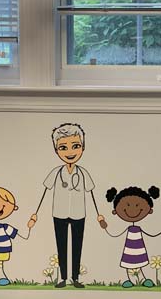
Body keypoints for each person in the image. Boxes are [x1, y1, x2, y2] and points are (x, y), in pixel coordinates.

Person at [29, 123, 106, 288]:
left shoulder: (83, 173)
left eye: (75, 146)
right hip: (59, 213)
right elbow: (44, 192)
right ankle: (63, 278)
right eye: (63, 148)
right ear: (56, 150)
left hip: (79, 213)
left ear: (83, 147)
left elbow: (91, 194)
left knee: (77, 246)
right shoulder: (56, 172)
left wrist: (99, 216)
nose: (70, 152)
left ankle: (75, 278)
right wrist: (35, 214)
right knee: (61, 245)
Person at [103, 185, 161, 288]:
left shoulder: (142, 226)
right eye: (127, 205)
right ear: (115, 211)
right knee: (129, 264)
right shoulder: (125, 227)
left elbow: (153, 234)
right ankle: (129, 279)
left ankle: (143, 279)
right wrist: (103, 224)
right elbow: (113, 233)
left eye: (137, 205)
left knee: (140, 264)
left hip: (139, 249)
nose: (132, 210)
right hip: (129, 250)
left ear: (149, 210)